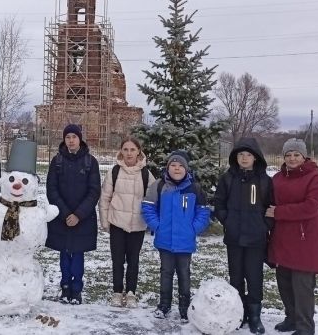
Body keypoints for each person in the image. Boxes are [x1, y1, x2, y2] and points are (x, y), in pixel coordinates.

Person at [141, 150, 211, 322]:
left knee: (184, 273)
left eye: (181, 166)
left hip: (185, 242)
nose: (177, 168)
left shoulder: (194, 188)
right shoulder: (159, 185)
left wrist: (193, 229)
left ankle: (184, 307)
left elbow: (203, 212)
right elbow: (148, 208)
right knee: (165, 272)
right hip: (164, 240)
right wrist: (158, 226)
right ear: (168, 167)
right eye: (173, 165)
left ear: (186, 169)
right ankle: (164, 305)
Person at [266, 138, 318, 335]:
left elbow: (311, 207)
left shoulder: (315, 178)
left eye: (296, 155)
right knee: (284, 284)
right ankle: (291, 318)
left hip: (304, 240)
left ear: (304, 156)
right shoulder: (277, 178)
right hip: (282, 238)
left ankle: (305, 327)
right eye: (288, 155)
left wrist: (279, 212)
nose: (292, 159)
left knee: (302, 288)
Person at [213, 138, 274, 334]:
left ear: (255, 158)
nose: (244, 158)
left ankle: (255, 315)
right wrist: (227, 220)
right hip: (234, 238)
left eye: (248, 155)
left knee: (254, 277)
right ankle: (238, 312)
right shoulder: (228, 179)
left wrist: (264, 226)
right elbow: (219, 203)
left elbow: (272, 208)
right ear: (235, 157)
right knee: (236, 276)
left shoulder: (265, 181)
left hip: (256, 239)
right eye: (241, 154)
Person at [46, 124, 101, 305]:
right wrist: (64, 213)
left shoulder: (90, 162)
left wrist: (78, 214)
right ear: (64, 139)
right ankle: (65, 287)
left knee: (77, 254)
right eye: (68, 137)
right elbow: (51, 189)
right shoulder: (57, 161)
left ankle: (76, 289)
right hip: (62, 217)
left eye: (74, 137)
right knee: (64, 253)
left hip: (82, 218)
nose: (71, 140)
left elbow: (94, 191)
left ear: (80, 139)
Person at [98, 136, 155, 308]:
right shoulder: (114, 172)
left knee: (133, 260)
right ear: (121, 152)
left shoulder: (146, 174)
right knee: (117, 259)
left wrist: (151, 222)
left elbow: (152, 200)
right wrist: (105, 221)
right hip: (117, 223)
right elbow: (105, 198)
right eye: (126, 149)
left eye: (132, 149)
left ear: (139, 152)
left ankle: (131, 293)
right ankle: (117, 292)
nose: (129, 153)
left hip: (137, 224)